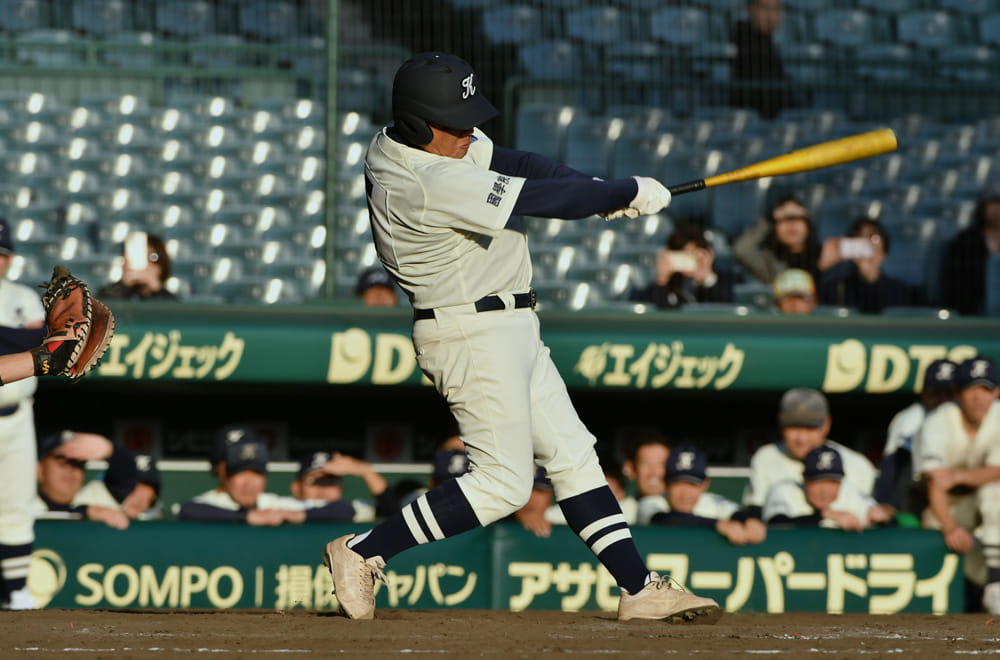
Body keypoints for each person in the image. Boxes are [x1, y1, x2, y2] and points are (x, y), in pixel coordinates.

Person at [322, 52, 720, 624]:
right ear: (415, 123)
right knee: (506, 484)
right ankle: (363, 552)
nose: (468, 132)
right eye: (455, 122)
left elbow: (523, 163)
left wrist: (600, 189)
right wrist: (621, 191)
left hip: (511, 324)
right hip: (468, 331)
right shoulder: (422, 177)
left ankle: (639, 588)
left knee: (575, 456)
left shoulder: (430, 140)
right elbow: (540, 198)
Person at [913, 356, 1000, 615]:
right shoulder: (938, 421)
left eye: (985, 389)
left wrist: (959, 476)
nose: (979, 398)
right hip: (941, 507)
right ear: (957, 392)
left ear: (996, 392)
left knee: (995, 491)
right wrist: (950, 526)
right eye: (971, 389)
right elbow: (935, 482)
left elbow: (997, 470)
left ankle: (996, 584)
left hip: (981, 503)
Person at [741, 387, 879, 520]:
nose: (802, 438)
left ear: (826, 424)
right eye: (794, 427)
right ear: (781, 424)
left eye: (810, 428)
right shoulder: (766, 458)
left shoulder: (858, 464)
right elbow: (755, 515)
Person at [0, 218, 45, 609]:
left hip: (17, 414)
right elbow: (31, 340)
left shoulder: (23, 296)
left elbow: (40, 340)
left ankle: (17, 590)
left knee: (17, 504)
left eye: (2, 254)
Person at [177, 429, 316, 526]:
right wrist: (246, 516)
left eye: (256, 473)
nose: (249, 483)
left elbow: (334, 509)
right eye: (241, 473)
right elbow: (186, 510)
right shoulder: (210, 504)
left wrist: (298, 515)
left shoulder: (271, 503)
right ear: (225, 474)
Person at [873, 359, 957, 514]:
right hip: (919, 495)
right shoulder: (911, 419)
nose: (943, 400)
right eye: (936, 393)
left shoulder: (966, 417)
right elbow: (896, 465)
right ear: (923, 393)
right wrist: (888, 503)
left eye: (949, 394)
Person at [650, 446, 767, 546]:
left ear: (705, 485)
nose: (685, 493)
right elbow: (667, 519)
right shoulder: (651, 502)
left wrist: (751, 521)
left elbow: (739, 513)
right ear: (665, 484)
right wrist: (717, 525)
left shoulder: (710, 501)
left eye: (692, 484)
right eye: (678, 484)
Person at [765, 446, 891, 531]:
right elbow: (777, 525)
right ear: (804, 478)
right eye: (818, 481)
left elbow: (881, 515)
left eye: (832, 482)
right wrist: (825, 515)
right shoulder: (785, 491)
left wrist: (882, 516)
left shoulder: (849, 493)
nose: (824, 490)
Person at [33, 431, 136, 530]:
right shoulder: (24, 503)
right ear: (39, 470)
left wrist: (110, 450)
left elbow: (127, 478)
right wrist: (84, 512)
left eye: (78, 462)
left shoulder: (96, 495)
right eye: (62, 461)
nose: (71, 468)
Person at [817, 217, 914, 314]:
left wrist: (871, 279)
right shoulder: (835, 288)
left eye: (873, 237)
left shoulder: (900, 292)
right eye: (859, 239)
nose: (867, 245)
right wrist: (821, 268)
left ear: (884, 252)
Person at [629, 223, 735, 310]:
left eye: (693, 256)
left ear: (708, 254)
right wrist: (661, 282)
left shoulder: (728, 281)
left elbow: (726, 309)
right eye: (682, 255)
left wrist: (707, 279)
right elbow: (654, 315)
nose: (687, 262)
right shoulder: (663, 287)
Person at [732, 193, 822, 285]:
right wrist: (770, 218)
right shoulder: (768, 262)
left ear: (808, 225)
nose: (791, 225)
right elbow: (741, 249)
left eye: (797, 218)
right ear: (774, 228)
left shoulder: (823, 255)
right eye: (785, 219)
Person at [729, 0, 797, 120]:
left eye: (776, 9)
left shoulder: (771, 42)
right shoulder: (743, 40)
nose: (771, 16)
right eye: (765, 9)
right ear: (750, 10)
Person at [941, 179, 1000, 315]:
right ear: (983, 207)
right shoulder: (965, 242)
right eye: (993, 203)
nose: (998, 210)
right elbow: (956, 288)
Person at [290, 451, 396, 522]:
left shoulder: (354, 507)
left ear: (341, 488)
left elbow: (392, 511)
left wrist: (366, 472)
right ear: (296, 488)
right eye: (314, 481)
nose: (323, 488)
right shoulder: (282, 505)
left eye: (330, 482)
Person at [73, 450, 164, 521]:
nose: (139, 495)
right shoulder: (90, 497)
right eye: (132, 486)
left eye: (146, 488)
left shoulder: (157, 513)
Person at [97, 232, 178, 301]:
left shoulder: (169, 299)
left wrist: (156, 289)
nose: (146, 264)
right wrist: (124, 285)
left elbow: (174, 315)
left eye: (153, 257)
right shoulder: (108, 293)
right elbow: (98, 312)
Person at [621, 430, 671, 525]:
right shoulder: (619, 513)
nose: (653, 472)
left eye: (661, 464)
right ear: (631, 469)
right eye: (645, 463)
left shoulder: (696, 509)